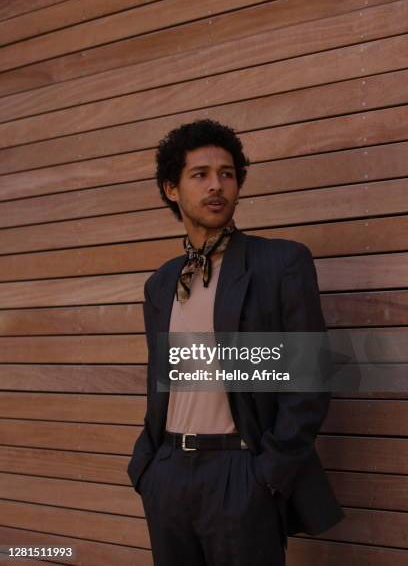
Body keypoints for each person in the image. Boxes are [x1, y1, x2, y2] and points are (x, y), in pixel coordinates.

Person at [127, 119, 344, 565]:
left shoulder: (281, 263)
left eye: (227, 174)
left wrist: (266, 474)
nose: (217, 186)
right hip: (168, 474)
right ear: (172, 189)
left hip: (239, 473)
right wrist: (147, 467)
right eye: (200, 174)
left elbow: (309, 381)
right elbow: (161, 381)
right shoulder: (162, 283)